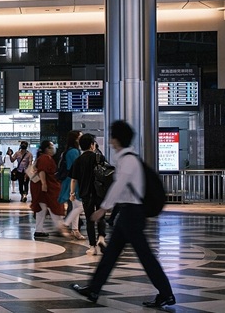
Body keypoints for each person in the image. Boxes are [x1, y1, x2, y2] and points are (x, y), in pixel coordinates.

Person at [72, 121, 176, 309]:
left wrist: (103, 208)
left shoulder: (127, 160)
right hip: (129, 213)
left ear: (117, 139)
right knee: (112, 254)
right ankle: (94, 289)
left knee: (144, 256)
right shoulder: (127, 158)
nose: (110, 140)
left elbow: (119, 186)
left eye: (112, 136)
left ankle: (166, 293)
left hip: (132, 214)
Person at [70, 133, 108, 256]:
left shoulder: (78, 160)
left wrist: (72, 193)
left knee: (90, 219)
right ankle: (101, 237)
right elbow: (108, 172)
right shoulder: (99, 157)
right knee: (100, 215)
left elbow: (74, 179)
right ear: (92, 145)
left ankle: (92, 247)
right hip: (100, 192)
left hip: (86, 194)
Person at [30, 140, 67, 239]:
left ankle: (39, 229)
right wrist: (44, 184)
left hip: (41, 187)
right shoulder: (45, 158)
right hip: (47, 187)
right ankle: (59, 227)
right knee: (53, 206)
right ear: (47, 149)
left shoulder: (42, 158)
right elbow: (43, 171)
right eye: (51, 146)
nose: (53, 148)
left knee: (42, 208)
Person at [58, 130, 85, 239]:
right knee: (80, 206)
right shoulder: (74, 152)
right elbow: (76, 168)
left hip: (70, 179)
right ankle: (65, 224)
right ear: (76, 139)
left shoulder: (69, 151)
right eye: (80, 136)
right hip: (74, 181)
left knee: (76, 206)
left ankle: (75, 230)